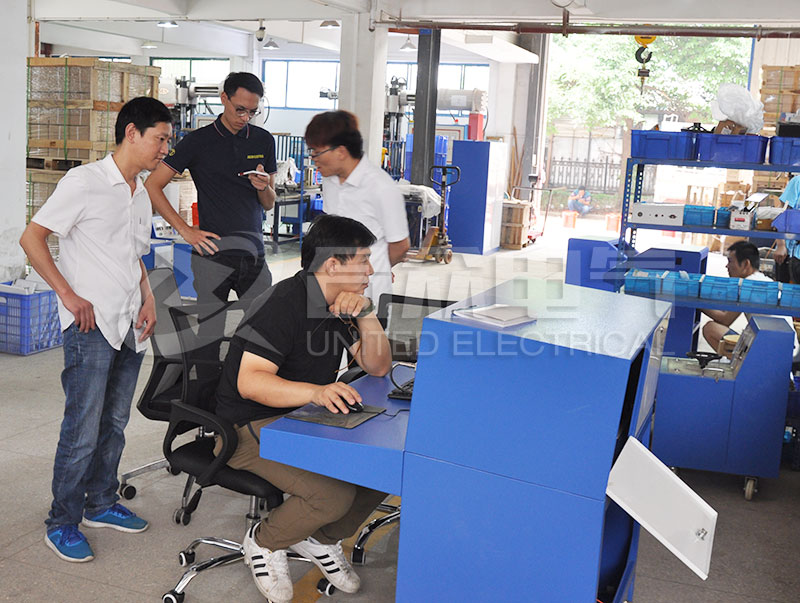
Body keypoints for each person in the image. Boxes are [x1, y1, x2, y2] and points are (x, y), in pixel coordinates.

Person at [19, 97, 173, 563]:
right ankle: (62, 521)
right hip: (90, 324)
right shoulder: (84, 182)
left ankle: (101, 502)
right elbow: (32, 237)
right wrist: (67, 294)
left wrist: (149, 297)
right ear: (131, 133)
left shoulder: (140, 191)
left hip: (129, 322)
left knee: (115, 422)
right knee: (82, 428)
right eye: (160, 139)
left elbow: (135, 255)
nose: (165, 149)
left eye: (168, 140)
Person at [214, 214, 392, 602]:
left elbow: (378, 366)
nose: (370, 271)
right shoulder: (283, 304)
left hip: (302, 419)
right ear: (333, 265)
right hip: (247, 428)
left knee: (381, 470)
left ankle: (319, 538)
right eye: (363, 260)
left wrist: (366, 314)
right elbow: (251, 382)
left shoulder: (334, 305)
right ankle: (264, 541)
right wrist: (316, 392)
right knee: (333, 496)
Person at [145, 71, 277, 310]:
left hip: (253, 254)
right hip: (212, 256)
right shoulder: (197, 142)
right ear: (224, 98)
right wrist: (185, 231)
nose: (245, 118)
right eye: (240, 109)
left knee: (262, 326)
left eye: (252, 112)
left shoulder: (263, 140)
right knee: (210, 327)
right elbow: (152, 185)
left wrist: (264, 186)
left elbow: (269, 203)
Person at [305, 110, 409, 311]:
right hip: (333, 286)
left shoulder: (381, 187)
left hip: (369, 288)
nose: (313, 159)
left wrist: (376, 267)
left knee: (367, 328)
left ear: (340, 151)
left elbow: (400, 246)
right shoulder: (329, 181)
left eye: (317, 153)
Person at [702, 241, 798, 355]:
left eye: (730, 261)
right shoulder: (762, 280)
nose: (727, 266)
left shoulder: (747, 287)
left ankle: (742, 364)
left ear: (746, 264)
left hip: (772, 351)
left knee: (711, 329)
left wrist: (699, 305)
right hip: (788, 349)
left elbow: (725, 320)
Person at [774, 174, 800, 283]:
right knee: (786, 290)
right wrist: (781, 244)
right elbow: (783, 214)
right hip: (790, 253)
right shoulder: (797, 182)